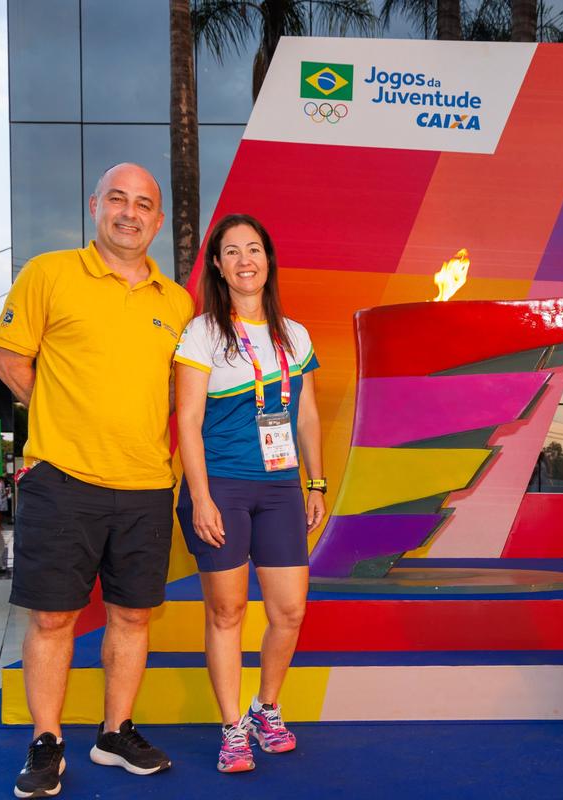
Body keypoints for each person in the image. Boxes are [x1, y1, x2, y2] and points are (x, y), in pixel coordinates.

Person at [0, 163, 193, 798]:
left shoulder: (178, 301)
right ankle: (46, 742)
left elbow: (172, 392)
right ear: (94, 205)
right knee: (53, 620)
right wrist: (64, 420)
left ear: (158, 221)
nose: (129, 213)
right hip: (64, 479)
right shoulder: (47, 274)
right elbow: (9, 360)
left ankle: (114, 733)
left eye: (143, 204)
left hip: (146, 486)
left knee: (133, 616)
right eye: (118, 199)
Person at [174, 213, 325, 774]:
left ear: (268, 259)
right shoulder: (203, 332)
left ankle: (267, 708)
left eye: (254, 249)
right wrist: (202, 496)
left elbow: (307, 414)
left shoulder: (296, 334)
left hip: (282, 489)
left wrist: (316, 480)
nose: (245, 260)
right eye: (232, 251)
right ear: (218, 265)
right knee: (228, 610)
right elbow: (187, 421)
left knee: (289, 610)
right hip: (222, 488)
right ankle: (232, 726)